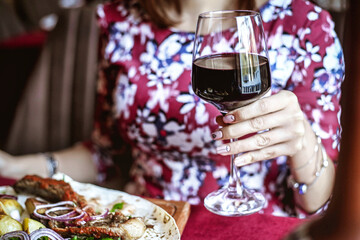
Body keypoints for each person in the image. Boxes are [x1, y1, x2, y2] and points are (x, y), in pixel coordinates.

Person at [0, 0, 344, 218]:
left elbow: (320, 201)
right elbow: (106, 153)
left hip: (255, 224)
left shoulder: (304, 24)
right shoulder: (121, 19)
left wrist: (304, 145)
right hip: (143, 219)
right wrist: (14, 165)